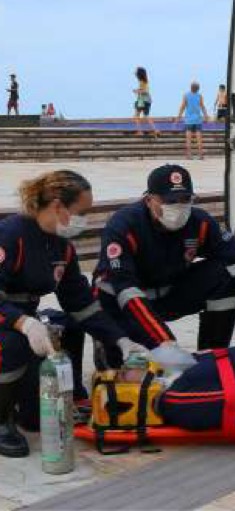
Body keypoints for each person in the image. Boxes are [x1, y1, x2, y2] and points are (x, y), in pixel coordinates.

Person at [0, 171, 146, 458]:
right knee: (12, 344)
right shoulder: (11, 235)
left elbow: (81, 304)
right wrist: (23, 323)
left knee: (35, 418)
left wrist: (121, 340)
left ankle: (19, 401)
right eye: (82, 212)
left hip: (21, 319)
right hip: (8, 322)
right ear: (57, 206)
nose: (85, 220)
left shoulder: (61, 248)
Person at [93, 164, 235, 370]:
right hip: (124, 304)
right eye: (170, 201)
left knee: (225, 276)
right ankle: (109, 344)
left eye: (185, 200)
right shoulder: (125, 225)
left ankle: (212, 358)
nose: (178, 207)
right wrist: (164, 341)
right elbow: (124, 287)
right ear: (149, 200)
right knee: (124, 374)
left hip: (170, 293)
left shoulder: (200, 222)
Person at [175, 81, 209, 160]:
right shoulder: (200, 96)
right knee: (199, 138)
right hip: (197, 120)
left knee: (188, 139)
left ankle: (189, 155)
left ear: (191, 87)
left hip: (188, 120)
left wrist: (178, 117)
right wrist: (206, 116)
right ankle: (201, 155)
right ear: (198, 89)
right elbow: (202, 107)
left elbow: (182, 107)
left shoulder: (186, 95)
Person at [133, 67, 159, 138]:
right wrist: (138, 90)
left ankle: (140, 131)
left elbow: (144, 91)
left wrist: (137, 91)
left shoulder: (141, 82)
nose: (135, 73)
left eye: (136, 72)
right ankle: (155, 130)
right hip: (147, 100)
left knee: (136, 116)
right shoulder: (145, 81)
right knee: (146, 116)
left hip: (142, 101)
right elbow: (144, 90)